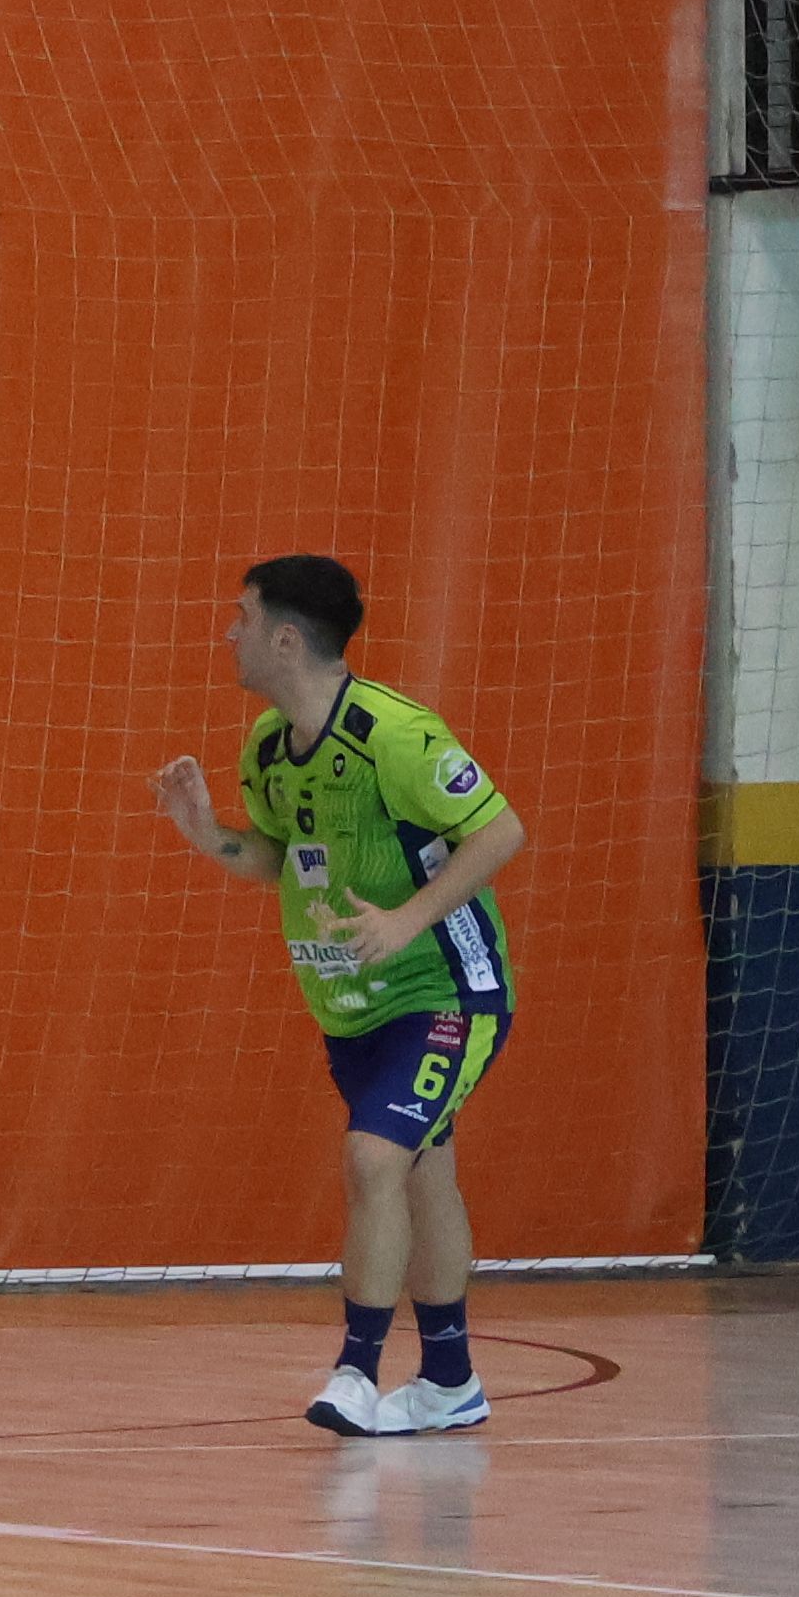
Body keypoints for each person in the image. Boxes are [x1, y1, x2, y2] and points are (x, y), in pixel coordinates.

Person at [145, 551, 526, 1437]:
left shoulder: (397, 736)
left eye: (240, 617)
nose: (227, 634)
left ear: (285, 637)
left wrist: (406, 919)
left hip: (447, 988)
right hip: (350, 1003)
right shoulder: (268, 750)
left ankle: (356, 1373)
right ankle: (449, 1381)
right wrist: (208, 838)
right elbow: (281, 861)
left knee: (373, 1159)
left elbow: (501, 830)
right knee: (422, 1173)